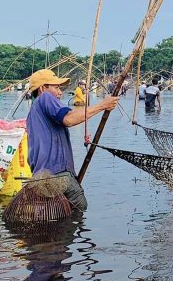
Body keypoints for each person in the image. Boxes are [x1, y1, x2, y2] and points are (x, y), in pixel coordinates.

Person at [25, 68, 118, 211]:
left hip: (42, 176)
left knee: (58, 214)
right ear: (43, 88)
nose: (60, 92)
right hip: (56, 173)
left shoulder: (33, 112)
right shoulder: (45, 98)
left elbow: (69, 117)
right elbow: (69, 119)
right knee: (80, 208)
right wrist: (102, 105)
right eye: (56, 87)